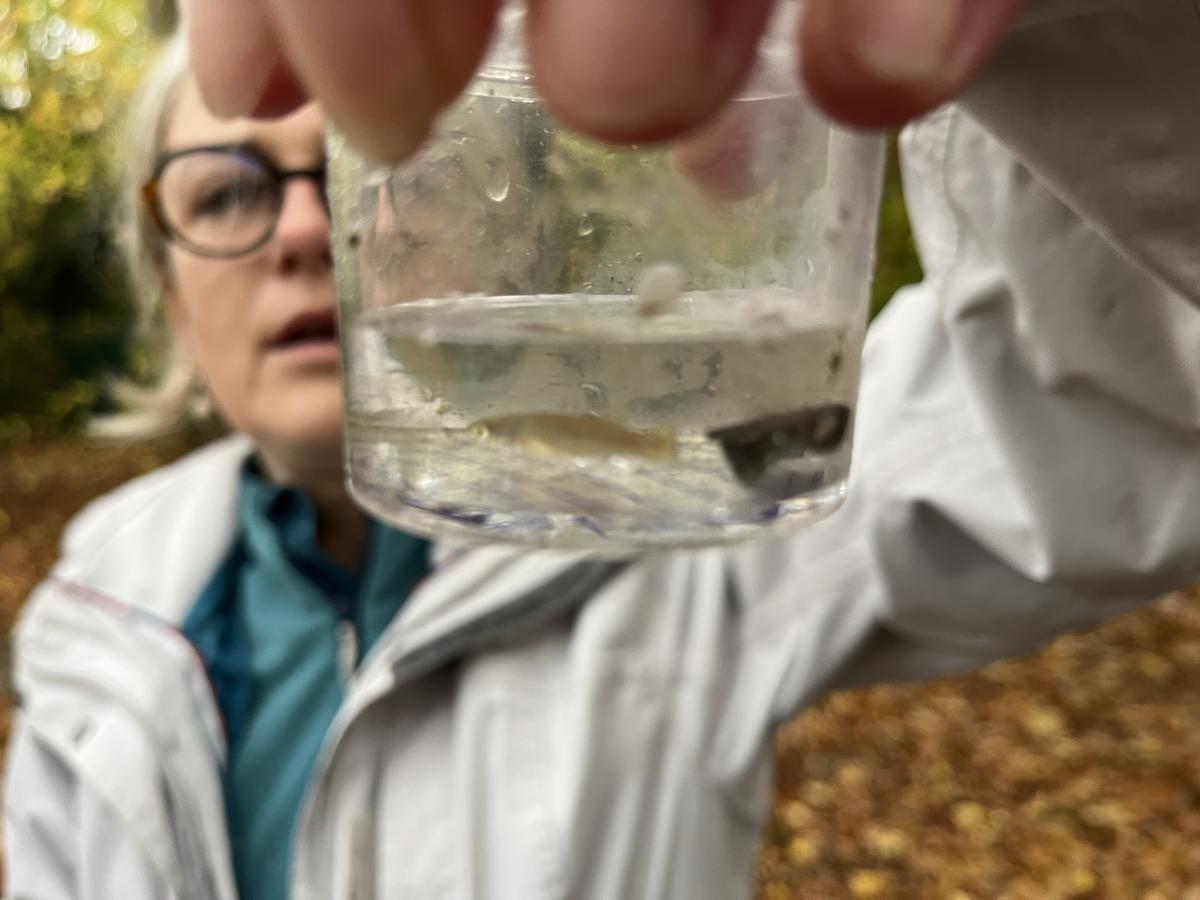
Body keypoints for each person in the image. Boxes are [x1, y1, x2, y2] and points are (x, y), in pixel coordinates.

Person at [9, 1, 1200, 898]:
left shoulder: (695, 501)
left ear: (486, 238)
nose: (309, 231)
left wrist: (1080, 46)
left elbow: (1132, 402)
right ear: (164, 287)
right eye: (225, 193)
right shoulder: (89, 625)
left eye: (361, 171)